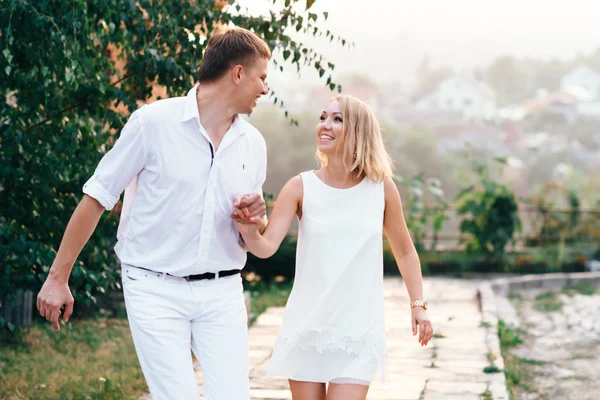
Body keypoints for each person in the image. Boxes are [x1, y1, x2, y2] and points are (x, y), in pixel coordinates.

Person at [36, 26, 270, 400]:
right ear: (238, 73)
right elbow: (97, 198)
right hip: (154, 287)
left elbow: (256, 240)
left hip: (223, 292)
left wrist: (254, 223)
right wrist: (57, 278)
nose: (265, 88)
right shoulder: (153, 123)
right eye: (262, 77)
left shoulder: (253, 144)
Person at [234, 95, 434, 400]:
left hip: (357, 331)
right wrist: (249, 228)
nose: (325, 125)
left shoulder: (381, 188)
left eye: (337, 119)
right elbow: (265, 247)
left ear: (358, 131)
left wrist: (418, 305)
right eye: (323, 117)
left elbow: (405, 251)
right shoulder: (299, 187)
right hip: (307, 328)